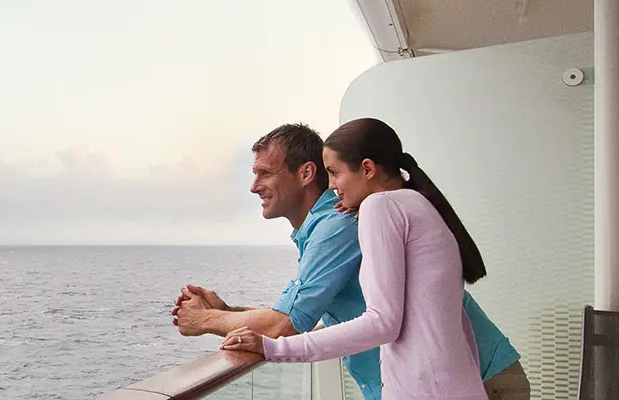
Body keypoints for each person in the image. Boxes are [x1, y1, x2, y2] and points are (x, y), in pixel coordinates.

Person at [172, 122, 528, 399]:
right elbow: (315, 316)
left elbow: (289, 324)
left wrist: (207, 320)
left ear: (307, 174)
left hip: (469, 381)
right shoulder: (387, 207)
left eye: (265, 172)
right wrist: (229, 312)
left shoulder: (347, 221)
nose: (254, 186)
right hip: (462, 379)